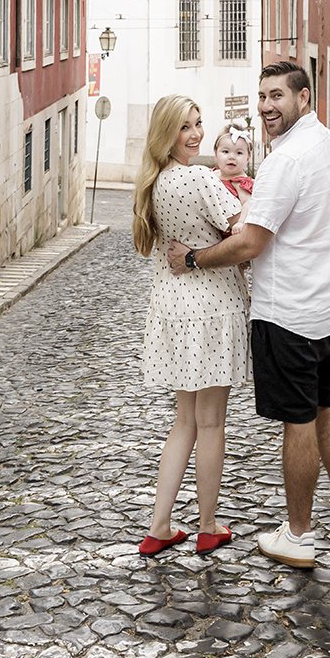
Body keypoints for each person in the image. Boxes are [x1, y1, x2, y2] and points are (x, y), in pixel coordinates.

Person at [167, 61, 330, 569]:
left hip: (289, 311)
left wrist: (192, 259)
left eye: (278, 95)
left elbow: (250, 242)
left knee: (298, 422)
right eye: (262, 96)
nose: (267, 106)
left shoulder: (284, 161)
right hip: (327, 305)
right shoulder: (328, 143)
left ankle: (297, 535)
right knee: (329, 404)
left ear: (304, 97)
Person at [133, 94, 248, 557]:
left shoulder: (154, 183)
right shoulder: (200, 177)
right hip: (213, 308)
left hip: (173, 310)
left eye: (199, 123)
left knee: (183, 422)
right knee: (212, 423)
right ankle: (206, 524)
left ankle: (159, 525)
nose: (197, 134)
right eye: (185, 127)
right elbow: (242, 231)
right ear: (167, 133)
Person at [213, 119, 256, 203]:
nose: (232, 157)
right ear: (216, 153)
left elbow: (247, 205)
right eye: (225, 151)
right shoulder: (212, 174)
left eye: (239, 153)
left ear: (248, 158)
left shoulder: (240, 183)